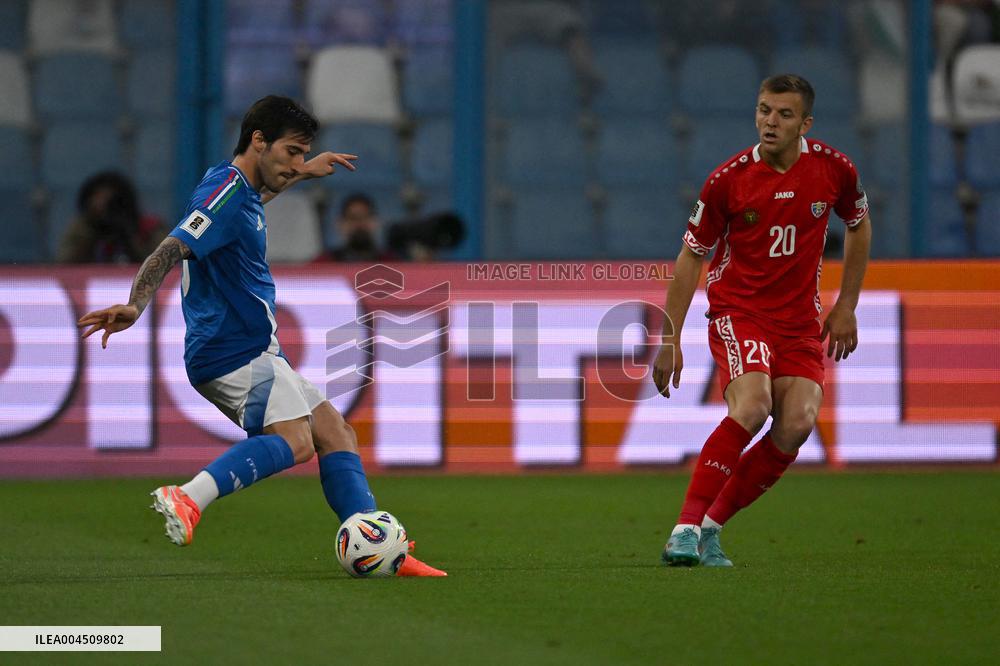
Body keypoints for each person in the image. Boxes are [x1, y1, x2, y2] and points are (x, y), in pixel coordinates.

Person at [77, 95, 445, 577]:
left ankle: (379, 547)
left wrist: (302, 172)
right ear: (258, 140)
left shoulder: (238, 191)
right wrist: (135, 304)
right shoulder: (225, 193)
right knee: (296, 441)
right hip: (232, 349)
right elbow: (170, 248)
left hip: (248, 347)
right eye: (291, 151)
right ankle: (188, 496)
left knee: (335, 431)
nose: (295, 161)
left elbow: (244, 208)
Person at [653, 75, 871, 567]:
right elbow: (691, 258)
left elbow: (858, 225)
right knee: (752, 404)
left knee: (797, 422)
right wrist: (670, 339)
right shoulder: (728, 180)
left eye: (784, 114)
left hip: (797, 321)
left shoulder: (834, 170)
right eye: (764, 110)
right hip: (741, 312)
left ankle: (711, 529)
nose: (770, 122)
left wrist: (846, 305)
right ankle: (683, 529)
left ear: (805, 123)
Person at [57, 171, 166, 264]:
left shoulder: (149, 227)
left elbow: (166, 264)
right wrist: (92, 236)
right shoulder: (82, 228)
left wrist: (129, 237)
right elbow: (64, 264)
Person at [314, 192, 396, 262]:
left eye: (365, 217)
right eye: (352, 218)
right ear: (340, 224)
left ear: (376, 222)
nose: (359, 223)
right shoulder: (325, 262)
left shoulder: (392, 262)